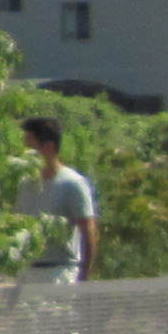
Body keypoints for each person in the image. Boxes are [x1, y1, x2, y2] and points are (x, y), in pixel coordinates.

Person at [19, 115, 99, 283]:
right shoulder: (26, 183)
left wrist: (83, 276)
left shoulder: (72, 183)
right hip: (27, 271)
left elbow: (88, 230)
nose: (24, 154)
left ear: (48, 147)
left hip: (58, 272)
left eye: (30, 147)